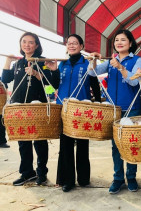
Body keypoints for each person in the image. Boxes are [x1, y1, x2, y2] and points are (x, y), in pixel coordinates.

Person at [89, 29, 141, 194]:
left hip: (132, 109)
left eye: (123, 40)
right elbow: (92, 72)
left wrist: (120, 67)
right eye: (117, 40)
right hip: (114, 109)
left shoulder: (137, 60)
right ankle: (118, 178)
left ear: (131, 43)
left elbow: (135, 82)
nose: (119, 43)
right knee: (116, 146)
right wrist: (93, 60)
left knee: (131, 144)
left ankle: (131, 177)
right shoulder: (110, 61)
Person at [45, 34, 100, 192]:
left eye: (75, 43)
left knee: (83, 144)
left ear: (81, 46)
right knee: (66, 145)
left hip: (82, 108)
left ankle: (83, 178)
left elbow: (95, 83)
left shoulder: (87, 64)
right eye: (69, 43)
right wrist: (54, 70)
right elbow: (55, 85)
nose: (72, 45)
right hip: (64, 108)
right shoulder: (62, 64)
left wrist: (97, 103)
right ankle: (67, 180)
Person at [2, 32, 56, 185]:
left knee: (40, 140)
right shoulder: (18, 63)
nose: (27, 45)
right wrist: (7, 61)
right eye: (24, 42)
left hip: (37, 107)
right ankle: (27, 173)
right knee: (23, 141)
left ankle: (41, 172)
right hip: (19, 106)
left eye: (31, 42)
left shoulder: (43, 61)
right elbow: (5, 79)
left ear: (36, 45)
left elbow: (50, 83)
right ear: (20, 44)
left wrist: (36, 73)